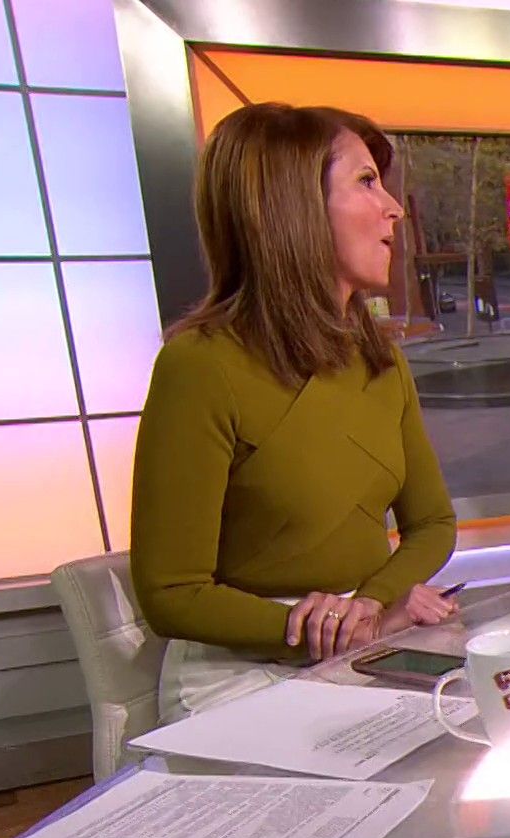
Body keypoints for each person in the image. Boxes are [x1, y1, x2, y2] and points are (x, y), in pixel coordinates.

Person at [131, 103, 459, 723]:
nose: (393, 208)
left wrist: (372, 604)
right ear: (294, 207)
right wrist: (308, 628)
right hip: (240, 672)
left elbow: (433, 523)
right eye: (367, 182)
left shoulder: (382, 361)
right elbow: (171, 594)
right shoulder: (199, 366)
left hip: (363, 649)